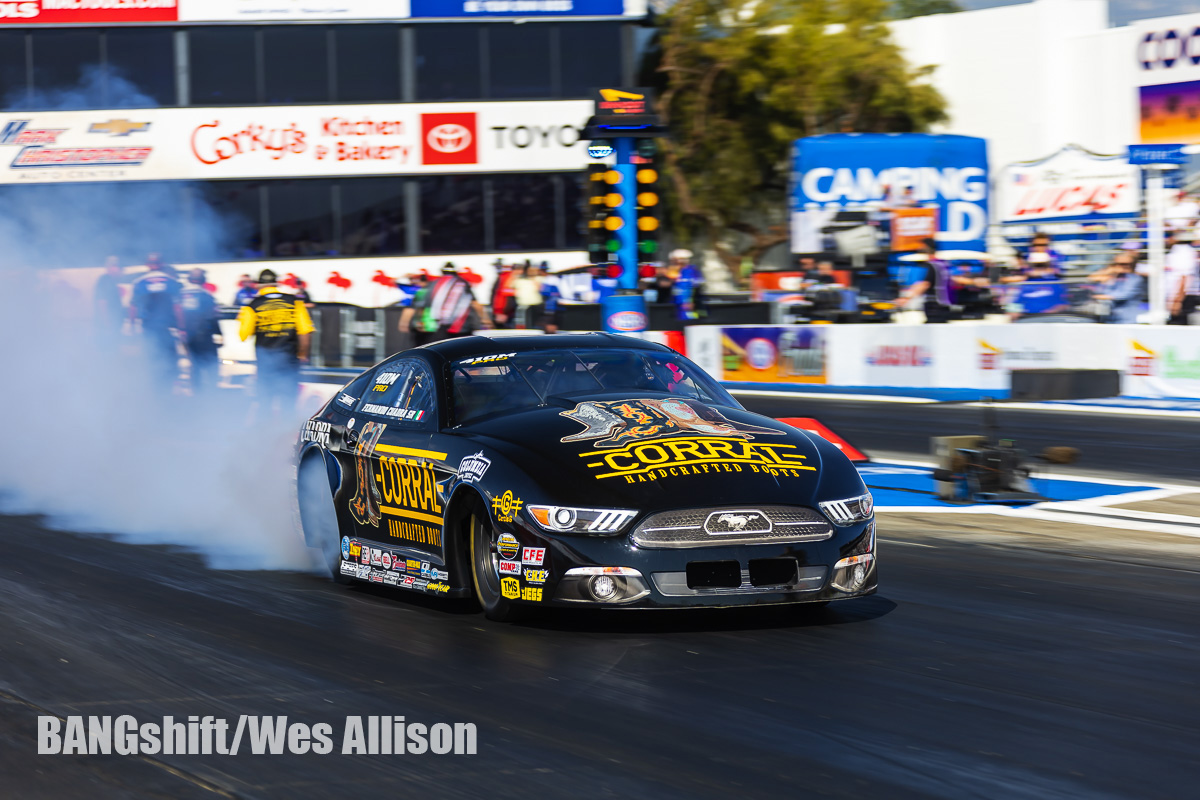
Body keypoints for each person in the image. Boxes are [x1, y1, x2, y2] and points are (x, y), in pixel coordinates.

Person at [238, 269, 314, 416]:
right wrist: (303, 354)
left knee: (265, 404)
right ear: (276, 283)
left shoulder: (252, 305)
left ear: (259, 285)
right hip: (289, 361)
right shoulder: (294, 301)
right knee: (288, 406)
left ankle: (266, 435)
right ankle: (285, 435)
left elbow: (243, 335)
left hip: (266, 363)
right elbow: (305, 332)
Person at [129, 253, 183, 388]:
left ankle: (154, 392)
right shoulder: (171, 282)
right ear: (162, 264)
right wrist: (182, 328)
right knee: (170, 362)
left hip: (148, 330)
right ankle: (168, 391)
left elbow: (133, 307)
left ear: (147, 265)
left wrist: (132, 327)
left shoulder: (139, 282)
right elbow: (177, 307)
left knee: (151, 362)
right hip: (167, 330)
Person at [418, 263, 490, 341]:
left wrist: (420, 321)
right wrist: (484, 318)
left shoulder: (432, 284)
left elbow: (424, 306)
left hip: (438, 325)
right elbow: (474, 303)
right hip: (461, 325)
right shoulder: (462, 283)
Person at [181, 268, 223, 394]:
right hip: (204, 335)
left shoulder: (181, 294)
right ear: (203, 280)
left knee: (194, 365)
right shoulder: (205, 295)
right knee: (211, 364)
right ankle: (212, 392)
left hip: (188, 336)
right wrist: (219, 334)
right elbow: (212, 316)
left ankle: (196, 392)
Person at [897, 238, 951, 323]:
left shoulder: (932, 265)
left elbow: (925, 284)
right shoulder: (942, 264)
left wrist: (906, 298)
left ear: (927, 247)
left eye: (922, 246)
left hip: (934, 307)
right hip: (943, 304)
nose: (919, 248)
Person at [1093, 254, 1145, 324]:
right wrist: (1106, 276)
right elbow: (1099, 291)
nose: (1122, 266)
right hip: (1109, 318)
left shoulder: (1135, 278)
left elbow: (1123, 294)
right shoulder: (1114, 277)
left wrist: (1105, 296)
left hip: (1126, 319)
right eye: (1117, 264)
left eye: (1125, 264)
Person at [1165, 230, 1199, 324]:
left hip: (1180, 299)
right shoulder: (1178, 252)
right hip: (1175, 297)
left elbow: (1184, 277)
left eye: (1169, 236)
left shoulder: (1183, 253)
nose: (1167, 239)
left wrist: (1177, 301)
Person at [93, 255, 125, 339]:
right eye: (118, 267)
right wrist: (107, 323)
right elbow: (102, 302)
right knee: (109, 349)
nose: (121, 270)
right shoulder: (105, 280)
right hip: (107, 327)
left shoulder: (111, 281)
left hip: (111, 325)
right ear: (111, 267)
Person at [513, 262, 543, 329]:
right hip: (523, 305)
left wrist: (534, 280)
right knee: (524, 324)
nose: (532, 272)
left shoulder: (540, 279)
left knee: (536, 325)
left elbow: (542, 289)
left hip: (537, 304)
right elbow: (509, 286)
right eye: (530, 270)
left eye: (534, 270)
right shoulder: (520, 280)